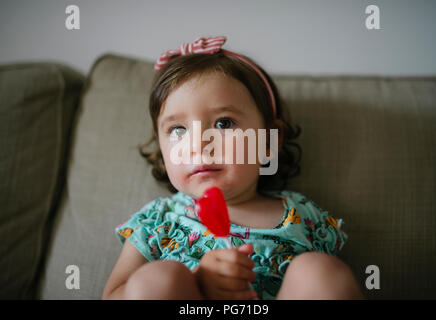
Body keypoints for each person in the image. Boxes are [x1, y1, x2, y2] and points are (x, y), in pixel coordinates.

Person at [102, 36, 363, 300]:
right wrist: (195, 282)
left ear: (269, 141)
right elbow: (113, 295)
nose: (198, 144)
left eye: (224, 123)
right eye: (178, 130)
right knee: (156, 280)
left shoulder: (304, 216)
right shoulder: (157, 222)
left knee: (319, 271)